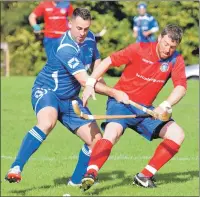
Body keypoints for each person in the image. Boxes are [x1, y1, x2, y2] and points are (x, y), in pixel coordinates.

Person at [5, 8, 129, 185]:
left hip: (70, 98)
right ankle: (16, 168)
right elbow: (85, 79)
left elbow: (96, 64)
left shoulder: (90, 38)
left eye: (86, 29)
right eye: (78, 28)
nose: (82, 33)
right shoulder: (65, 48)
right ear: (69, 24)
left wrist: (99, 83)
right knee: (48, 121)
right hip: (48, 91)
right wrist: (115, 93)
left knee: (96, 140)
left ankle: (76, 181)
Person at [80, 24, 187, 190]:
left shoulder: (176, 59)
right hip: (121, 103)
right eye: (165, 44)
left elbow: (181, 87)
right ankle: (91, 173)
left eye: (172, 47)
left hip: (146, 110)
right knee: (112, 132)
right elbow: (109, 61)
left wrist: (165, 105)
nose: (167, 49)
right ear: (159, 38)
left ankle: (144, 176)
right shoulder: (139, 49)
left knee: (177, 134)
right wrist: (90, 83)